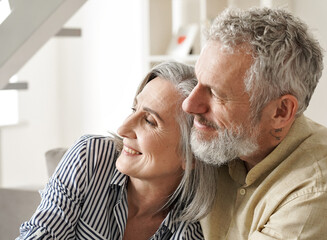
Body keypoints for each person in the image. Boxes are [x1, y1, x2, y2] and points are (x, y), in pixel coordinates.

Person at [182, 7, 327, 240]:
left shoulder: (319, 193)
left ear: (280, 111)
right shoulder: (224, 139)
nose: (189, 104)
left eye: (216, 93)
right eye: (197, 81)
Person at [17, 62, 216, 240]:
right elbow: (41, 232)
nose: (123, 129)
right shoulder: (90, 156)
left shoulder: (193, 230)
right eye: (133, 109)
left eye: (149, 121)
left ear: (191, 154)